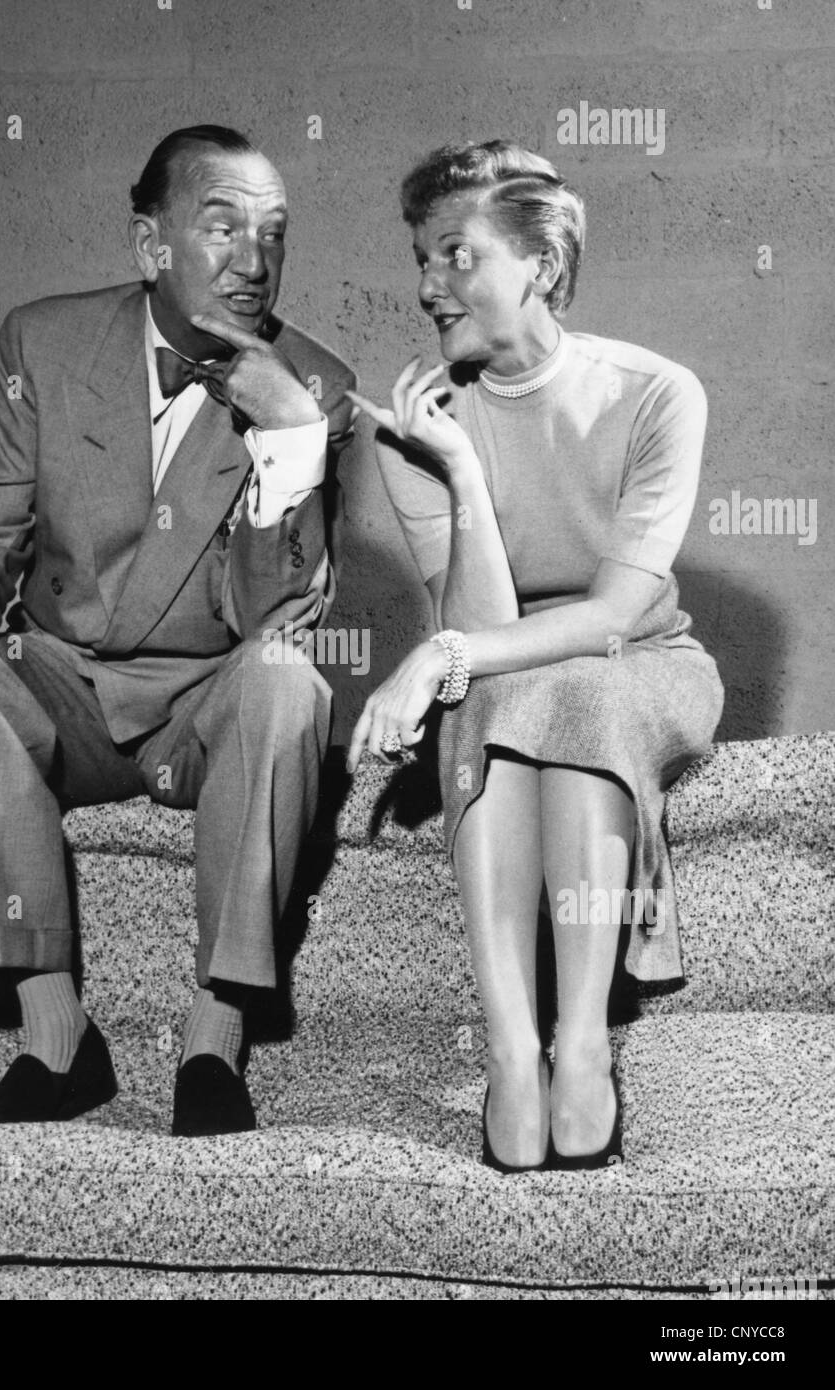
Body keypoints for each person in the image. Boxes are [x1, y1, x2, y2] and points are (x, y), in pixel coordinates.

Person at [0, 125, 356, 1137]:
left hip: (202, 706)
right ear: (151, 247)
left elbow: (278, 620)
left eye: (274, 232)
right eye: (221, 224)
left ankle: (212, 1039)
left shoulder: (314, 386)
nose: (255, 258)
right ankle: (56, 1039)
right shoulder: (43, 345)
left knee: (288, 682)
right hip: (64, 690)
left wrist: (293, 444)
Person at [346, 140, 723, 1171]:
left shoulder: (657, 394)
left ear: (542, 265)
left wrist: (442, 656)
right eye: (423, 258)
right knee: (500, 698)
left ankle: (586, 1040)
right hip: (506, 671)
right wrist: (461, 474)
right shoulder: (414, 428)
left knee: (575, 692)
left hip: (644, 662)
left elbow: (612, 616)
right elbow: (482, 621)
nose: (429, 285)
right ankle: (515, 1049)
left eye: (457, 255)